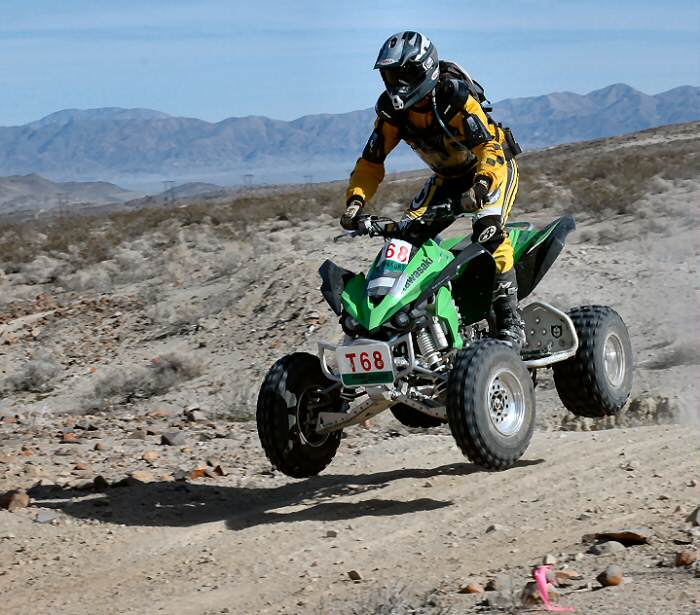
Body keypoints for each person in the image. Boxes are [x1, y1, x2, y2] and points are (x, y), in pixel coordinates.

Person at [341, 31, 525, 349]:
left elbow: (489, 147)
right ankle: (405, 326)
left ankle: (510, 322)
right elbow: (371, 162)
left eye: (405, 74)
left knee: (488, 229)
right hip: (447, 178)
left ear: (425, 70)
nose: (398, 85)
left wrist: (482, 187)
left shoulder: (455, 98)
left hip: (491, 171)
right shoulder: (393, 112)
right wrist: (356, 201)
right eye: (391, 76)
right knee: (404, 239)